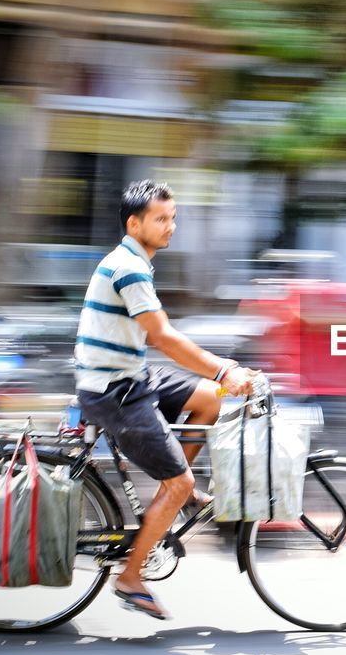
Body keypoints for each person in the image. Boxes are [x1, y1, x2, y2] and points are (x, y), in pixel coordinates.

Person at [73, 180, 255, 619]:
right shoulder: (128, 267)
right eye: (161, 219)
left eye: (173, 218)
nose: (171, 226)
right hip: (115, 391)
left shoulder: (136, 261)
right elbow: (162, 336)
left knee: (212, 400)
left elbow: (156, 340)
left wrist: (218, 377)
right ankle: (131, 577)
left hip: (130, 375)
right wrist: (223, 368)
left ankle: (179, 494)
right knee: (181, 481)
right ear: (134, 224)